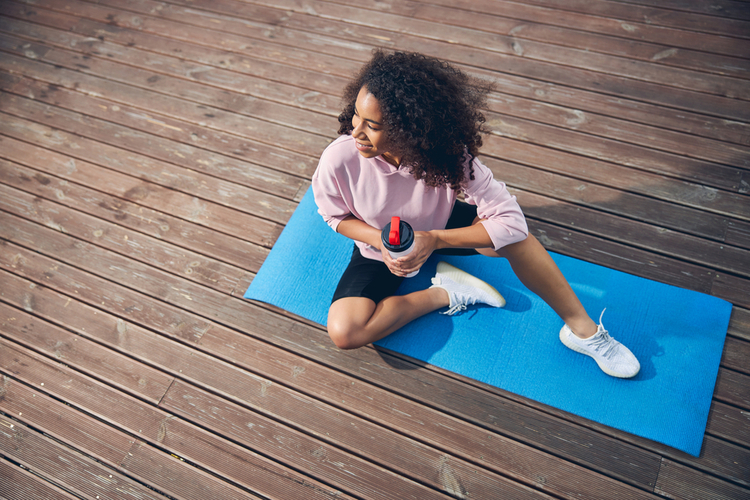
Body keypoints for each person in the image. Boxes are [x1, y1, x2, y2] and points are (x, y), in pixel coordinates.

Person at [312, 50, 640, 378]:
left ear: (406, 128)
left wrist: (435, 240)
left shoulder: (444, 156)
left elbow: (512, 222)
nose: (355, 132)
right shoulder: (339, 159)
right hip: (380, 249)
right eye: (356, 115)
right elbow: (334, 216)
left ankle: (582, 331)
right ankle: (447, 292)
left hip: (438, 228)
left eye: (373, 125)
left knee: (517, 240)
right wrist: (379, 241)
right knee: (345, 333)